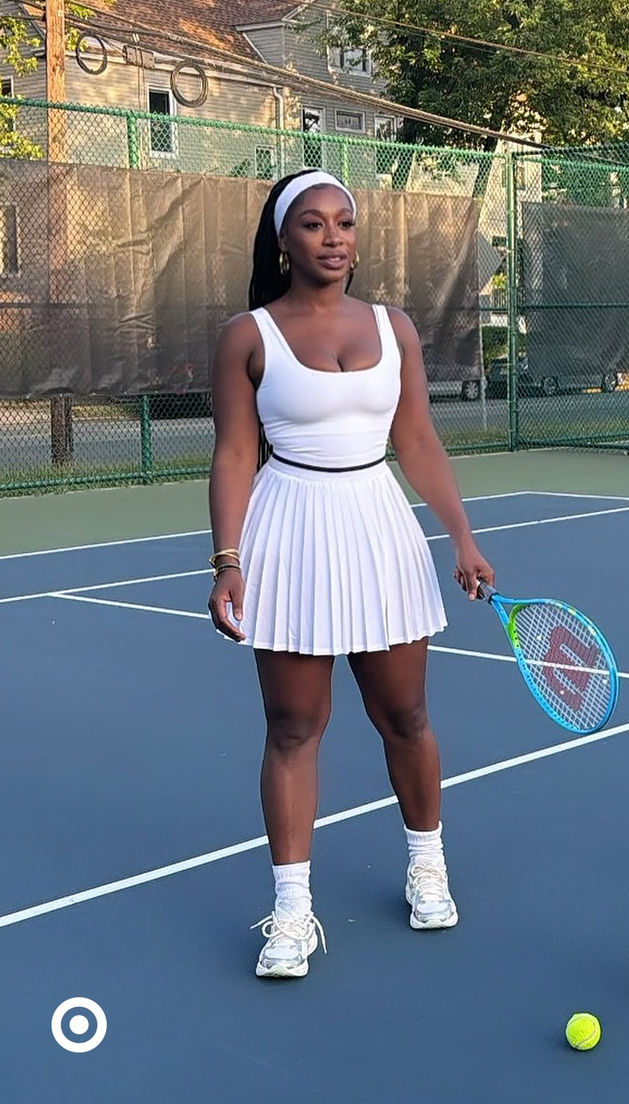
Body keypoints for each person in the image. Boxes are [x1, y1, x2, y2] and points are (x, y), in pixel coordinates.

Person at [207, 169, 495, 979]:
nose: (333, 237)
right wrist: (227, 558)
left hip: (378, 527)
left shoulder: (394, 327)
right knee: (293, 729)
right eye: (312, 224)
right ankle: (293, 915)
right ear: (282, 240)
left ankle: (427, 865)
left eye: (344, 222)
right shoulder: (247, 335)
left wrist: (461, 538)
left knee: (405, 716)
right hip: (287, 530)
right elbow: (233, 454)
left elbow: (418, 441)